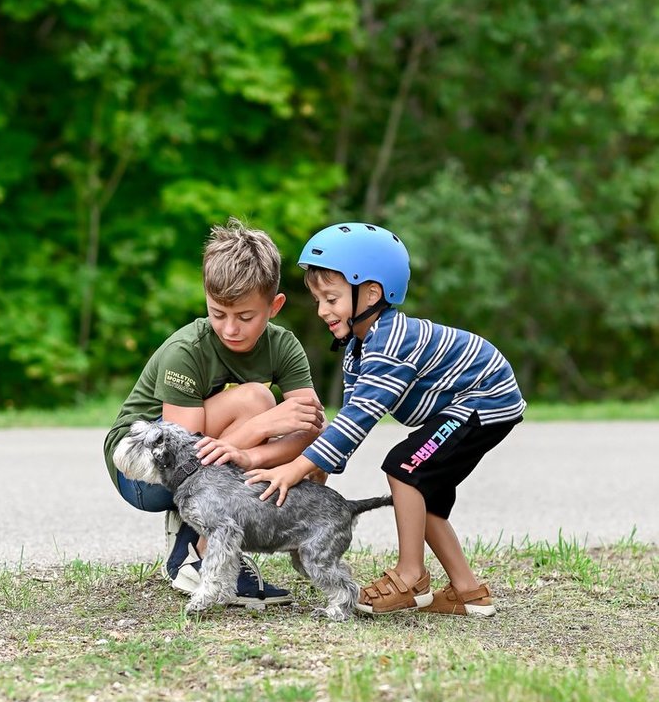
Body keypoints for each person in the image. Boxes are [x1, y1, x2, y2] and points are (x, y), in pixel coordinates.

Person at [245, 221, 526, 617]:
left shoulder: (391, 341)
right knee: (420, 492)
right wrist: (319, 471)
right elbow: (348, 419)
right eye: (318, 301)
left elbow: (361, 418)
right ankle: (468, 591)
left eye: (331, 298)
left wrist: (294, 468)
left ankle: (410, 576)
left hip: (484, 400)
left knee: (403, 468)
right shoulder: (358, 348)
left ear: (372, 293)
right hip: (466, 405)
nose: (323, 310)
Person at [103, 218, 325, 606]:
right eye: (218, 313)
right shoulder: (186, 350)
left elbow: (309, 430)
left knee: (313, 461)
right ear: (206, 298)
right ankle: (196, 555)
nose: (230, 329)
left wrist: (254, 455)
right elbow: (180, 457)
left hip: (201, 458)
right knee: (257, 400)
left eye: (245, 317)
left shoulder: (283, 346)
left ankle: (255, 542)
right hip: (145, 470)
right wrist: (263, 424)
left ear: (274, 306)